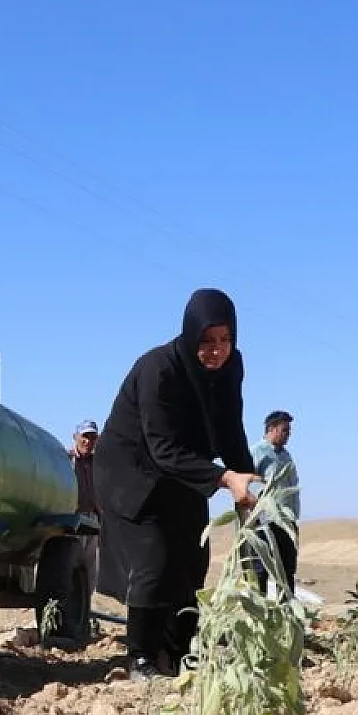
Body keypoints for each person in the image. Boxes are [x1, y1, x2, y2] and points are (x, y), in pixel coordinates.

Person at [93, 288, 259, 680]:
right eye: (207, 341)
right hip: (132, 470)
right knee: (154, 557)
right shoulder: (158, 368)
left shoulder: (232, 367)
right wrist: (223, 477)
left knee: (191, 557)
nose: (216, 351)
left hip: (183, 467)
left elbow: (230, 426)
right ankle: (141, 658)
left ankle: (185, 652)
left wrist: (247, 478)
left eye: (225, 340)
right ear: (189, 336)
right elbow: (161, 447)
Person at [248, 409, 300, 596]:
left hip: (287, 520)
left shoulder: (286, 455)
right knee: (260, 568)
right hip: (265, 521)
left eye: (289, 431)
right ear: (272, 428)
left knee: (287, 569)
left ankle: (286, 614)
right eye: (285, 430)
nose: (288, 435)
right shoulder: (257, 452)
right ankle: (259, 613)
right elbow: (249, 482)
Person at [69, 420, 101, 617]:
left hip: (93, 520)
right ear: (76, 437)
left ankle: (82, 613)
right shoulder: (66, 459)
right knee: (70, 565)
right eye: (85, 436)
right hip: (72, 520)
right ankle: (66, 612)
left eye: (92, 437)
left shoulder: (98, 463)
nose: (88, 441)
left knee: (90, 571)